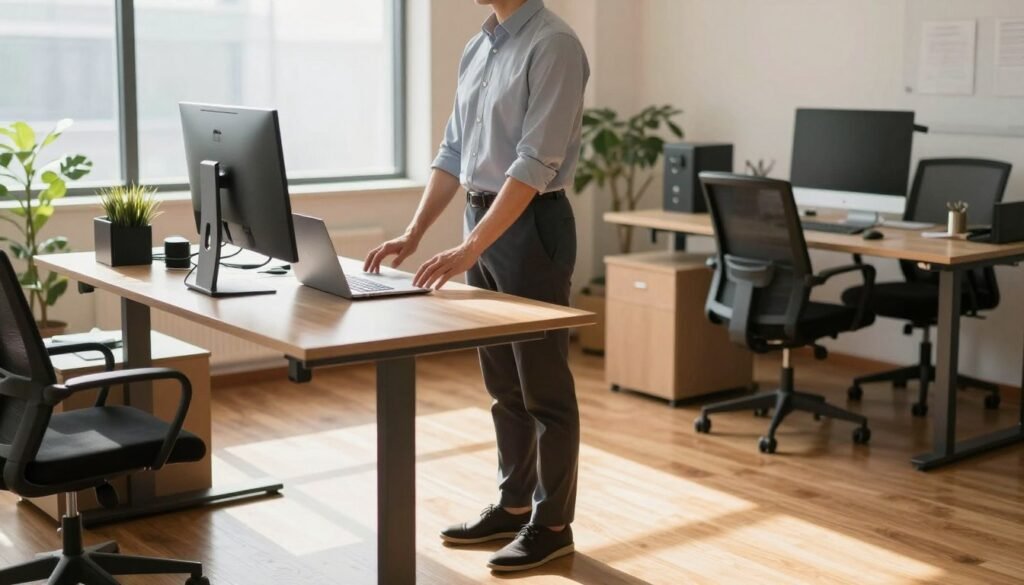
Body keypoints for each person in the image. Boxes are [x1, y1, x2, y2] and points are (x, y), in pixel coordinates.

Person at [363, 0, 589, 573]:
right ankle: (514, 504)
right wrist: (414, 234)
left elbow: (535, 164)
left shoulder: (553, 44)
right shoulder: (480, 45)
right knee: (502, 383)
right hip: (480, 221)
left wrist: (472, 247)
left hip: (531, 226)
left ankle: (553, 525)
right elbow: (454, 152)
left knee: (543, 388)